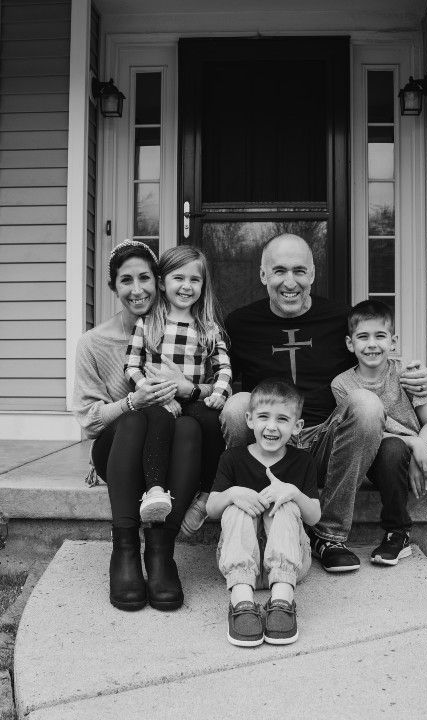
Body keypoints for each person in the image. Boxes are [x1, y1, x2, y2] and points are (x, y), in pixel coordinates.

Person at [221, 233, 427, 573]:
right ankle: (252, 521)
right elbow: (219, 378)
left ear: (313, 274)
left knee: (365, 404)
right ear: (263, 275)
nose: (290, 282)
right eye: (279, 271)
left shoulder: (339, 319)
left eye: (299, 271)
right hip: (269, 437)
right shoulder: (240, 324)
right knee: (236, 406)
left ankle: (329, 535)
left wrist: (418, 375)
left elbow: (377, 355)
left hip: (325, 439)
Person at [72, 240, 202, 612]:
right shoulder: (93, 343)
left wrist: (189, 389)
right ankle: (125, 550)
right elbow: (89, 419)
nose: (137, 289)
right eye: (126, 280)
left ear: (159, 282)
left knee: (190, 430)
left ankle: (161, 554)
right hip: (117, 448)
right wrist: (132, 402)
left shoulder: (182, 331)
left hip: (168, 447)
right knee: (133, 420)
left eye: (145, 277)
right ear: (114, 287)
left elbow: (202, 394)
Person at [332, 300, 427, 579]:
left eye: (380, 336)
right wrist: (413, 444)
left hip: (421, 455)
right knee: (391, 447)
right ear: (349, 343)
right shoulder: (342, 384)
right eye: (362, 337)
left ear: (393, 341)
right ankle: (396, 533)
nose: (372, 344)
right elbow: (369, 435)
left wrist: (421, 447)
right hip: (384, 461)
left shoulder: (407, 374)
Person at [207, 379, 321, 647]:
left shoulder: (302, 461)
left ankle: (282, 601)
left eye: (282, 419)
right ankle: (242, 602)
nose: (271, 426)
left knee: (285, 504)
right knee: (236, 506)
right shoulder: (232, 459)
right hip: (239, 563)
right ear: (249, 420)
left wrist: (291, 491)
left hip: (288, 565)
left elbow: (314, 516)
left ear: (297, 427)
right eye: (263, 417)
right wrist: (234, 492)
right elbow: (212, 509)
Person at [125, 246, 230, 525]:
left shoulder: (208, 327)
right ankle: (155, 491)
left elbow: (224, 368)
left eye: (195, 280)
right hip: (156, 399)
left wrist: (219, 393)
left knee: (211, 421)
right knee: (157, 421)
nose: (187, 286)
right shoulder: (147, 322)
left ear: (203, 285)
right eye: (178, 278)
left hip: (193, 399)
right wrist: (157, 393)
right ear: (162, 282)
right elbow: (132, 366)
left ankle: (207, 494)